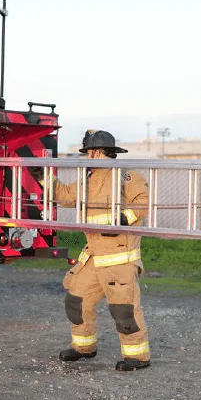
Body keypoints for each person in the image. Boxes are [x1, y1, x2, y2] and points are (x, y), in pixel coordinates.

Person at [36, 130, 151, 371]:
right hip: (94, 255)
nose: (87, 156)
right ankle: (84, 347)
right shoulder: (89, 177)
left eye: (88, 151)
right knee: (77, 301)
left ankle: (138, 357)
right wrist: (45, 179)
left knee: (124, 310)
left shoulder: (125, 176)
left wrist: (124, 217)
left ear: (97, 151)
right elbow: (67, 197)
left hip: (119, 258)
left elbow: (143, 201)